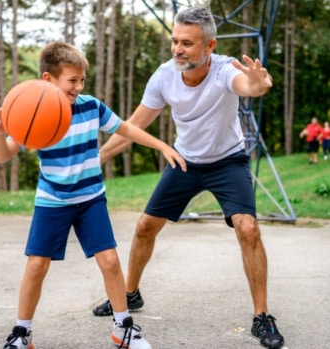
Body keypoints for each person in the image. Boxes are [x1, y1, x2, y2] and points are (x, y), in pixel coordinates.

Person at [93, 6, 285, 349]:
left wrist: (257, 85)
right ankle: (130, 295)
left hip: (228, 161)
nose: (178, 49)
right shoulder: (164, 76)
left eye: (187, 43)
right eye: (175, 41)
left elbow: (247, 84)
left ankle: (262, 316)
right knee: (144, 227)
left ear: (209, 46)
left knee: (248, 227)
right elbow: (134, 126)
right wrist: (100, 157)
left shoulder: (225, 69)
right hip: (185, 161)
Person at [0, 41, 187, 349]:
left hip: (90, 198)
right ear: (48, 80)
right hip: (53, 201)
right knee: (36, 266)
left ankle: (123, 328)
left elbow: (126, 129)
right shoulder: (35, 114)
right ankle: (22, 332)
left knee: (109, 260)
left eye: (82, 80)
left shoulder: (91, 107)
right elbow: (3, 156)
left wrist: (162, 145)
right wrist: (0, 133)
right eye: (72, 80)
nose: (78, 86)